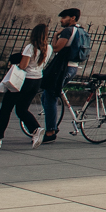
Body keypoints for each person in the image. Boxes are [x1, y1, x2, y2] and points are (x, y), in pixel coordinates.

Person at [0, 21, 47, 148]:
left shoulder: (30, 47)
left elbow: (23, 66)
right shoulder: (48, 48)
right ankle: (36, 129)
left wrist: (18, 60)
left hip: (24, 81)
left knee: (5, 109)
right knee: (22, 109)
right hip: (37, 80)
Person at [38, 8, 89, 144]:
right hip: (72, 66)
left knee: (50, 96)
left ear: (72, 18)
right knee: (47, 95)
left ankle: (50, 131)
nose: (61, 20)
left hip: (63, 68)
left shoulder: (67, 31)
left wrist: (55, 36)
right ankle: (52, 125)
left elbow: (56, 49)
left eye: (64, 17)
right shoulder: (81, 30)